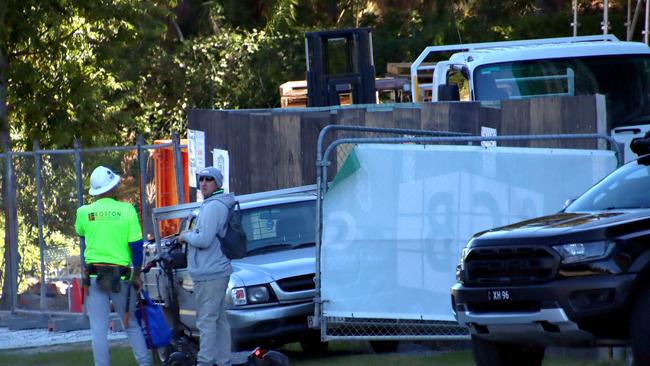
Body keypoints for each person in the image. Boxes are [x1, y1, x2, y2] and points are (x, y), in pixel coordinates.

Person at [74, 166, 150, 366]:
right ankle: (145, 364)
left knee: (98, 329)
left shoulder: (84, 212)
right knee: (131, 325)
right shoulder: (127, 210)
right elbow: (136, 248)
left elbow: (82, 233)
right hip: (122, 277)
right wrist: (137, 275)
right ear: (114, 187)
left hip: (93, 277)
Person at [179, 166, 234, 366]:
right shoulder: (214, 204)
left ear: (217, 183)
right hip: (214, 269)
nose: (203, 183)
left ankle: (205, 362)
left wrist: (185, 236)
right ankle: (223, 360)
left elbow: (204, 239)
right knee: (218, 320)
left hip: (210, 271)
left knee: (206, 321)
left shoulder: (212, 207)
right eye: (201, 179)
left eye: (209, 179)